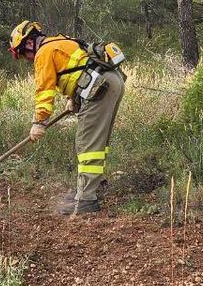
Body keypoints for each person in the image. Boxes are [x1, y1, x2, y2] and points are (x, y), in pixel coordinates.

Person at [8, 21, 125, 215]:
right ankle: (95, 184)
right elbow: (79, 68)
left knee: (87, 144)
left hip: (100, 87)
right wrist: (74, 97)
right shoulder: (62, 41)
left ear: (28, 44)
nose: (27, 59)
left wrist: (39, 122)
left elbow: (44, 92)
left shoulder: (43, 53)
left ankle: (87, 199)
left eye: (23, 54)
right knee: (98, 141)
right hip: (112, 81)